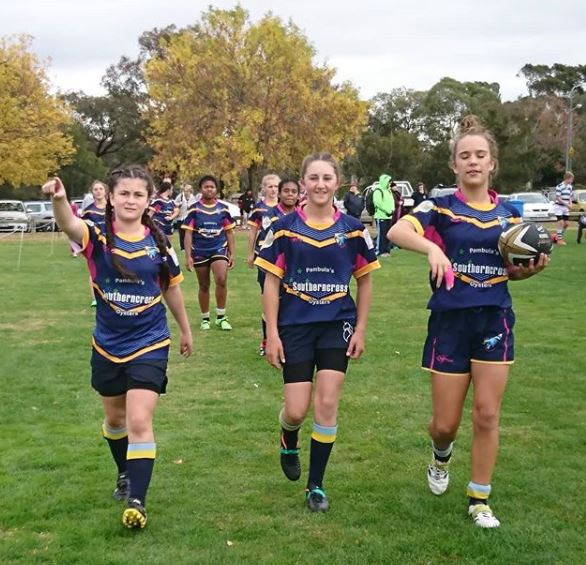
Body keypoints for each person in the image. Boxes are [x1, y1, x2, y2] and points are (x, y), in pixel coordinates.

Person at [388, 115, 549, 528]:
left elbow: (515, 266)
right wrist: (431, 249)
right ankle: (441, 455)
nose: (473, 161)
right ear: (454, 166)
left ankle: (480, 498)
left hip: (495, 319)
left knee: (487, 414)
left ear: (492, 163)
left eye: (480, 155)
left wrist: (526, 271)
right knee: (445, 424)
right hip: (450, 321)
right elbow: (396, 232)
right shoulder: (440, 207)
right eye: (465, 156)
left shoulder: (510, 215)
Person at [42, 166, 193, 530]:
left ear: (147, 200)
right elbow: (68, 225)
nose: (130, 200)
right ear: (111, 197)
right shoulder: (97, 236)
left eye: (138, 194)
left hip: (150, 342)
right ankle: (124, 471)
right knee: (115, 420)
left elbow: (171, 287)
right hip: (108, 345)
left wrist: (186, 330)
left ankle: (138, 501)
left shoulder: (159, 244)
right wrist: (61, 200)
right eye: (123, 193)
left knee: (140, 420)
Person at [256, 152, 380, 512]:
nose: (321, 184)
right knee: (296, 410)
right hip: (294, 325)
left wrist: (360, 328)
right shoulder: (282, 228)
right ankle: (288, 436)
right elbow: (269, 284)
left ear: (337, 182)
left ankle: (316, 486)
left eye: (327, 178)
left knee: (327, 402)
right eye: (314, 178)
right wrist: (272, 335)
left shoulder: (354, 228)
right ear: (303, 183)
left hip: (337, 323)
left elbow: (366, 282)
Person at [182, 175, 236, 331]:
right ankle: (205, 318)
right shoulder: (194, 209)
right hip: (199, 250)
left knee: (221, 278)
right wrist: (188, 256)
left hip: (219, 248)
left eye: (212, 187)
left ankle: (221, 317)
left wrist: (232, 253)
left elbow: (230, 232)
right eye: (206, 187)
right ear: (201, 189)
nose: (209, 189)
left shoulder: (223, 209)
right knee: (204, 285)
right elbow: (188, 233)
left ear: (216, 189)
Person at [255, 179, 300, 355]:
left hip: (294, 266)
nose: (290, 194)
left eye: (293, 191)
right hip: (271, 264)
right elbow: (269, 241)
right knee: (270, 302)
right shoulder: (270, 215)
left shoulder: (303, 215)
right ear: (279, 194)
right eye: (286, 191)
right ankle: (267, 340)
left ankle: (289, 340)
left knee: (291, 302)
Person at [247, 174, 280, 353]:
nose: (273, 189)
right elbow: (253, 232)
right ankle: (266, 340)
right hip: (264, 257)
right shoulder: (259, 209)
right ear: (264, 188)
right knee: (267, 298)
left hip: (284, 257)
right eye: (270, 186)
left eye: (276, 186)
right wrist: (250, 253)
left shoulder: (287, 208)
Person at [81, 180, 108, 306]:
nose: (98, 191)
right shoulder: (88, 212)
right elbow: (84, 229)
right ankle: (95, 299)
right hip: (96, 245)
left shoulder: (112, 208)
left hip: (113, 244)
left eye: (100, 189)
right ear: (92, 192)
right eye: (95, 189)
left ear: (105, 191)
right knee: (94, 270)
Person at [373, 174, 395, 257]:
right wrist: (388, 210)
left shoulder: (388, 191)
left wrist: (392, 210)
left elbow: (391, 201)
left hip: (389, 216)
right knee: (381, 234)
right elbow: (378, 203)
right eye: (389, 181)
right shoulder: (378, 190)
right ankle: (379, 251)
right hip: (381, 216)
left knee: (388, 234)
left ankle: (386, 251)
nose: (390, 183)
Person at [552, 172, 574, 245]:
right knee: (561, 222)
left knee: (566, 224)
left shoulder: (570, 187)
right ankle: (559, 240)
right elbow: (558, 198)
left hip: (566, 207)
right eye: (571, 179)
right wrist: (567, 204)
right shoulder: (559, 186)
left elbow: (570, 196)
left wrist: (570, 204)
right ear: (567, 178)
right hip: (559, 207)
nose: (572, 180)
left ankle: (557, 236)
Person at [174, 184, 196, 251]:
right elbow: (175, 204)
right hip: (180, 217)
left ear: (190, 191)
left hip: (188, 217)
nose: (186, 192)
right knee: (181, 233)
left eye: (188, 191)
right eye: (185, 191)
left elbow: (194, 206)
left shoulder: (192, 197)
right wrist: (179, 204)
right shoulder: (180, 196)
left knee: (188, 232)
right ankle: (182, 247)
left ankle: (190, 246)